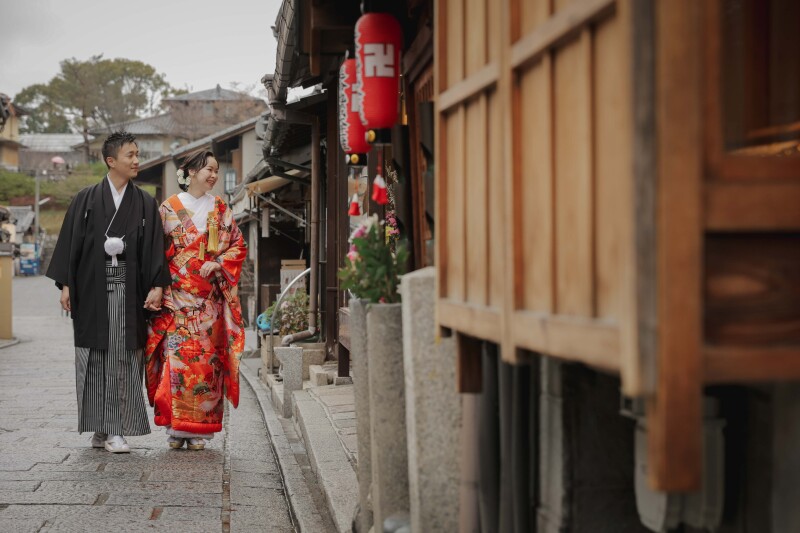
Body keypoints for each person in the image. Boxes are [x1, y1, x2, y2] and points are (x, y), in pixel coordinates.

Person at [47, 131, 171, 453]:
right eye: (130, 155)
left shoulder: (144, 202)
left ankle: (118, 428)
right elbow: (71, 246)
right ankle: (100, 428)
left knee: (125, 356)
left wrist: (157, 285)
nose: (136, 160)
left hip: (130, 292)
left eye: (137, 154)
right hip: (92, 291)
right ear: (110, 160)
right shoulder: (85, 199)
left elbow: (155, 247)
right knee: (94, 356)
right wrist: (66, 285)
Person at [145, 150, 247, 451]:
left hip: (209, 304)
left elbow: (238, 245)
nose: (213, 175)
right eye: (208, 169)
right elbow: (154, 252)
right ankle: (176, 430)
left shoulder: (221, 208)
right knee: (175, 364)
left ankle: (201, 431)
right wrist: (158, 286)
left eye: (216, 170)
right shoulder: (168, 208)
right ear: (189, 172)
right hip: (176, 300)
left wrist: (219, 263)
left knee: (207, 366)